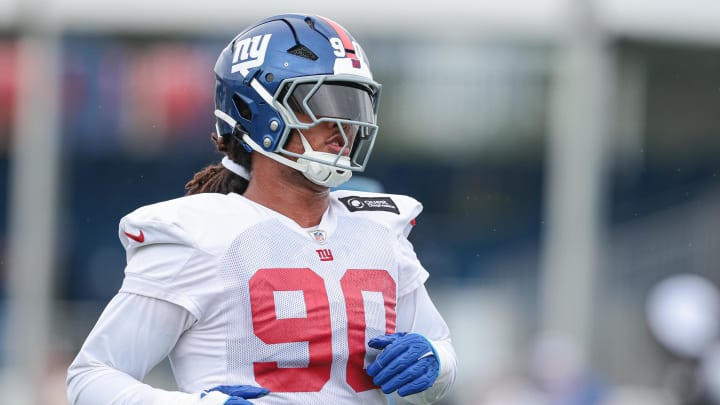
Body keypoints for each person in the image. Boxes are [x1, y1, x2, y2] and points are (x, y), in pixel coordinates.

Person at [66, 13, 457, 405]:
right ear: (255, 110)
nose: (345, 124)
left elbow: (439, 355)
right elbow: (92, 378)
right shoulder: (199, 235)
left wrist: (435, 360)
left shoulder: (379, 227)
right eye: (324, 99)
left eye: (355, 102)